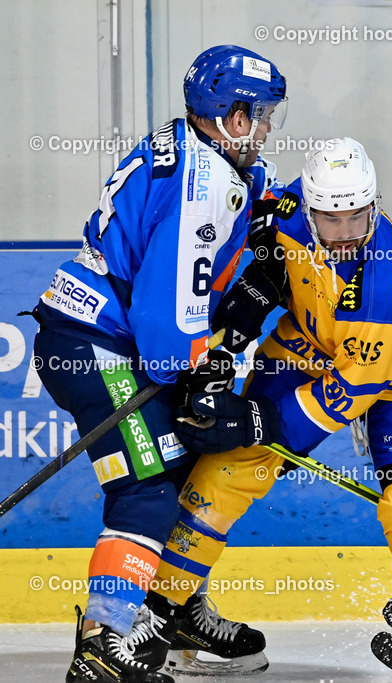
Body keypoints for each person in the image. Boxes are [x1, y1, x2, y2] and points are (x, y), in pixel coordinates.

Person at [149, 137, 392, 683]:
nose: (344, 234)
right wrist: (228, 339)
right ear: (311, 205)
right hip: (308, 347)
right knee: (220, 476)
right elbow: (269, 262)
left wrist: (257, 420)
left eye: (358, 218)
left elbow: (345, 396)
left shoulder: (390, 287)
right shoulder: (292, 206)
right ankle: (164, 617)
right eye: (331, 220)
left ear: (375, 205)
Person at [34, 45, 287, 683]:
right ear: (227, 117)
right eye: (257, 116)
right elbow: (166, 323)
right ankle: (105, 638)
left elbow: (228, 207)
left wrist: (268, 207)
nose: (264, 129)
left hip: (99, 333)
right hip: (98, 344)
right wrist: (207, 376)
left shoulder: (189, 150)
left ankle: (170, 610)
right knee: (146, 487)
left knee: (183, 467)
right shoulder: (204, 183)